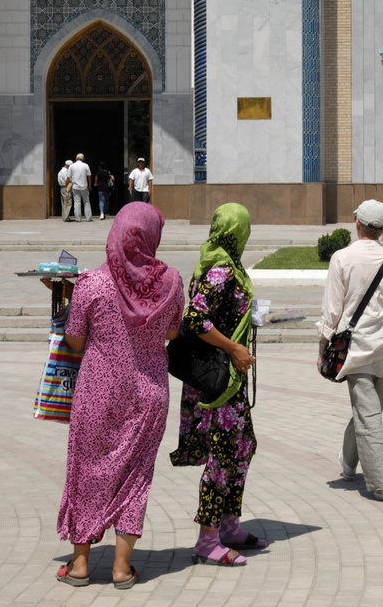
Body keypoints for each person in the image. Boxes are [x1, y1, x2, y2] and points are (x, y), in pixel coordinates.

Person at [56, 201, 184, 589]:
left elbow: (75, 341)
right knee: (136, 477)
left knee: (87, 471)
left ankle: (79, 565)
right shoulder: (173, 282)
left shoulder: (91, 283)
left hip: (98, 391)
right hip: (149, 393)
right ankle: (121, 569)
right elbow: (172, 334)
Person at [170, 203, 264, 567]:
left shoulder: (223, 265)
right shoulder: (221, 271)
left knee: (244, 446)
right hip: (219, 379)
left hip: (229, 376)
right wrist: (234, 346)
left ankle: (229, 524)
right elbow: (194, 319)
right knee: (222, 456)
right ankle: (208, 539)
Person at [317, 199, 383, 503]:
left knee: (368, 414)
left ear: (357, 224)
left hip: (355, 348)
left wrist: (322, 349)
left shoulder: (342, 259)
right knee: (368, 412)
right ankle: (349, 465)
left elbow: (332, 311)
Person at [68, 153, 93, 222]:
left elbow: (68, 177)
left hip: (75, 186)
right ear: (83, 159)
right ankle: (88, 218)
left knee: (77, 202)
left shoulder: (72, 166)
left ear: (76, 158)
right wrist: (90, 185)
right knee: (86, 202)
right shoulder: (85, 165)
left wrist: (67, 185)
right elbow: (89, 176)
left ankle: (78, 218)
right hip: (84, 186)